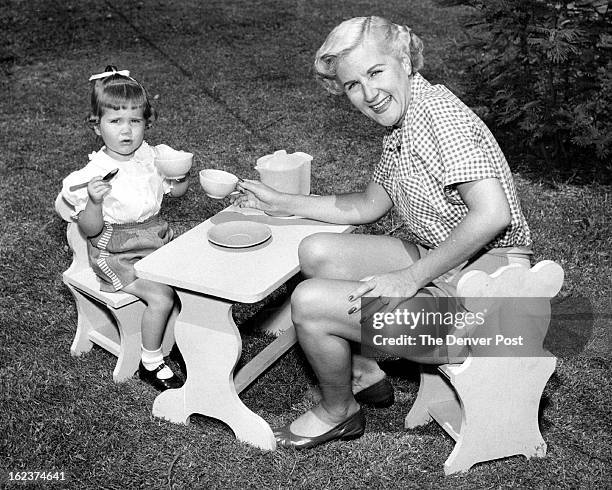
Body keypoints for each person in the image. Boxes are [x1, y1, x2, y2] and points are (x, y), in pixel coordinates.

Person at [234, 16, 533, 449]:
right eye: (353, 84)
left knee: (310, 302)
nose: (369, 94)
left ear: (406, 61)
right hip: (455, 263)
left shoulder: (441, 120)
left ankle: (340, 412)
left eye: (375, 73)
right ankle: (362, 371)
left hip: (490, 295)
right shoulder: (408, 121)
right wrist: (280, 203)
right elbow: (368, 205)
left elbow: (492, 215)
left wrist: (410, 277)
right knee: (317, 251)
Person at [61, 66, 188, 391]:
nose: (127, 131)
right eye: (115, 121)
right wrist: (93, 202)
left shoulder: (150, 157)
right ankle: (151, 361)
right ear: (96, 126)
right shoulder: (96, 173)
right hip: (116, 251)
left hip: (154, 239)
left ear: (147, 122)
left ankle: (183, 339)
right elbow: (89, 230)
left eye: (135, 121)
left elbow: (173, 192)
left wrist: (178, 177)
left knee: (193, 279)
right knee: (161, 296)